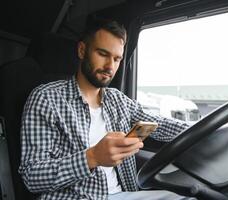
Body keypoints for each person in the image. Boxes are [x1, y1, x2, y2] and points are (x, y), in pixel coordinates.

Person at [18, 18, 195, 200]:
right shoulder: (46, 98)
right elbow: (32, 176)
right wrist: (92, 157)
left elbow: (160, 124)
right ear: (82, 50)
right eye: (103, 54)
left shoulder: (117, 99)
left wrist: (209, 128)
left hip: (123, 194)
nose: (110, 66)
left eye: (117, 58)